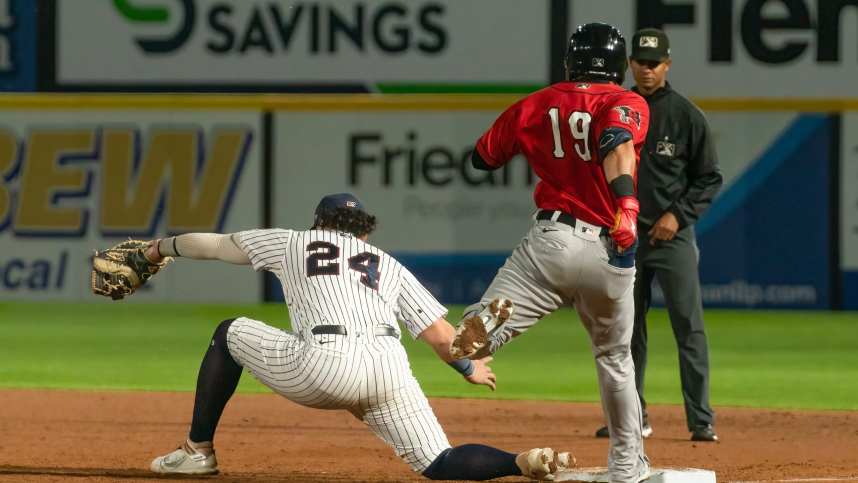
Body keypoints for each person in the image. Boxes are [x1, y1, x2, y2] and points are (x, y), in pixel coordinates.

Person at [142, 193, 572, 481]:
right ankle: (521, 461)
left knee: (228, 333)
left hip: (322, 365)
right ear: (363, 230)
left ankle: (198, 450)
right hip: (388, 369)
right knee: (438, 461)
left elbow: (213, 245)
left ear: (319, 224)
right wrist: (467, 366)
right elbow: (443, 338)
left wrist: (158, 248)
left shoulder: (294, 242)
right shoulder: (388, 264)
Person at [449, 23, 651, 483]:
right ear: (619, 65)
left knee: (467, 339)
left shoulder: (533, 104)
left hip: (550, 245)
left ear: (570, 61)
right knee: (615, 359)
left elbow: (481, 159)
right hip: (609, 249)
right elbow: (615, 145)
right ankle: (627, 466)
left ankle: (481, 333)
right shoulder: (625, 101)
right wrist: (626, 204)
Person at [594, 28, 723, 442]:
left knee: (688, 326)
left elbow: (708, 178)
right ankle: (634, 417)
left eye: (653, 63)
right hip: (624, 237)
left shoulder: (685, 115)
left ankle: (701, 420)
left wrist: (678, 216)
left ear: (667, 65)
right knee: (625, 330)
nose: (645, 69)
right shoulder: (615, 108)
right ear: (629, 63)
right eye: (639, 62)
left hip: (672, 237)